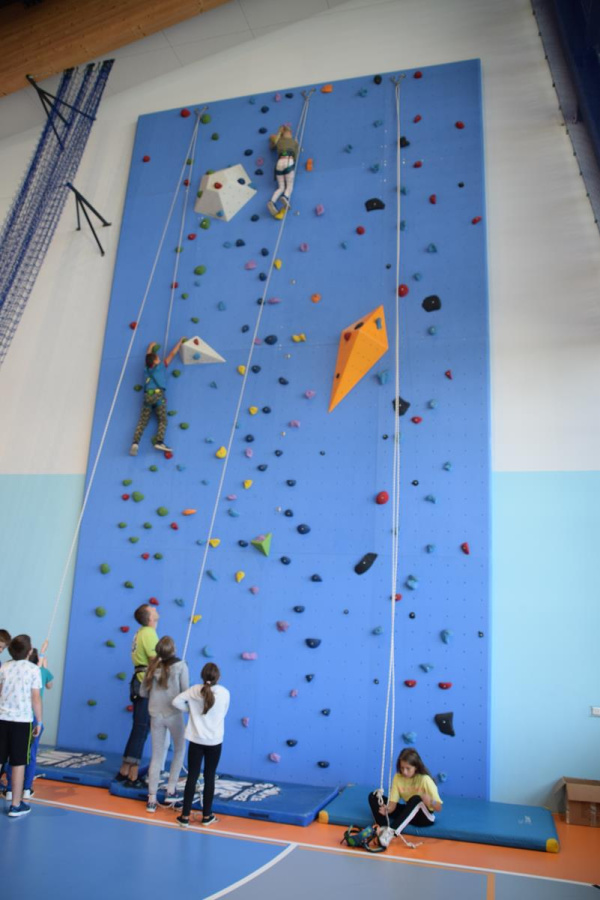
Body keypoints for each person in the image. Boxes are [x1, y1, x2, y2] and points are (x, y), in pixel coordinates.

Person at [172, 662, 230, 827]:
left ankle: (185, 816)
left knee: (192, 776)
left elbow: (176, 702)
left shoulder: (194, 690)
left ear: (202, 676)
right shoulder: (224, 693)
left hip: (196, 740)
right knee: (210, 776)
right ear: (218, 677)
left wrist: (190, 710)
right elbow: (223, 713)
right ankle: (207, 816)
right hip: (214, 741)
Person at [139, 636, 189, 813]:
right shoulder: (181, 666)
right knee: (179, 749)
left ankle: (151, 799)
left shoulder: (152, 667)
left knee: (157, 755)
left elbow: (142, 692)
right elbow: (185, 692)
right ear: (173, 650)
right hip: (174, 714)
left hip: (156, 716)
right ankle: (171, 790)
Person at [0, 635, 42, 818]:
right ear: (29, 651)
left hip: (2, 719)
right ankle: (16, 805)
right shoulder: (33, 670)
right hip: (22, 723)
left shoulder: (4, 667)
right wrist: (39, 721)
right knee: (18, 763)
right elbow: (35, 698)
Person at [117, 604, 159, 786]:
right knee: (142, 727)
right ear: (149, 618)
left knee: (139, 726)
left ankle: (124, 769)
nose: (156, 609)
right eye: (152, 609)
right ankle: (132, 775)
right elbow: (154, 660)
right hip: (145, 682)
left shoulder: (141, 632)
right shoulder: (149, 633)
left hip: (139, 680)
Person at [5, 645, 53, 800]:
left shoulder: (11, 668)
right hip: (30, 719)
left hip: (12, 718)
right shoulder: (40, 671)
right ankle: (26, 788)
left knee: (12, 755)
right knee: (29, 755)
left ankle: (10, 789)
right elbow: (48, 685)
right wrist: (45, 667)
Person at [368, 748, 442, 849]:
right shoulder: (398, 778)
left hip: (424, 817)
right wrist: (387, 810)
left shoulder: (425, 780)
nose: (404, 772)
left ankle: (390, 833)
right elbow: (393, 804)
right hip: (408, 814)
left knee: (416, 799)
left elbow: (439, 807)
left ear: (416, 767)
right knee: (373, 796)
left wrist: (430, 801)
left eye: (408, 768)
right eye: (402, 768)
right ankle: (382, 829)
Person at [130, 338, 184, 456]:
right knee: (163, 420)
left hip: (147, 396)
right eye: (157, 358)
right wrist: (180, 342)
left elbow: (147, 358)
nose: (159, 359)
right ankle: (159, 441)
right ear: (155, 361)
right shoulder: (161, 366)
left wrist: (150, 348)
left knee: (142, 421)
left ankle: (135, 443)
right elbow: (172, 353)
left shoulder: (146, 369)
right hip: (158, 396)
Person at [267, 125, 299, 217]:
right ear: (289, 133)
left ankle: (272, 201)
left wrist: (274, 138)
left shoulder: (279, 141)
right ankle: (285, 197)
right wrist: (296, 145)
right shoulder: (294, 142)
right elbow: (296, 156)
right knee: (289, 187)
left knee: (281, 187)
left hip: (279, 163)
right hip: (288, 161)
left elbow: (271, 147)